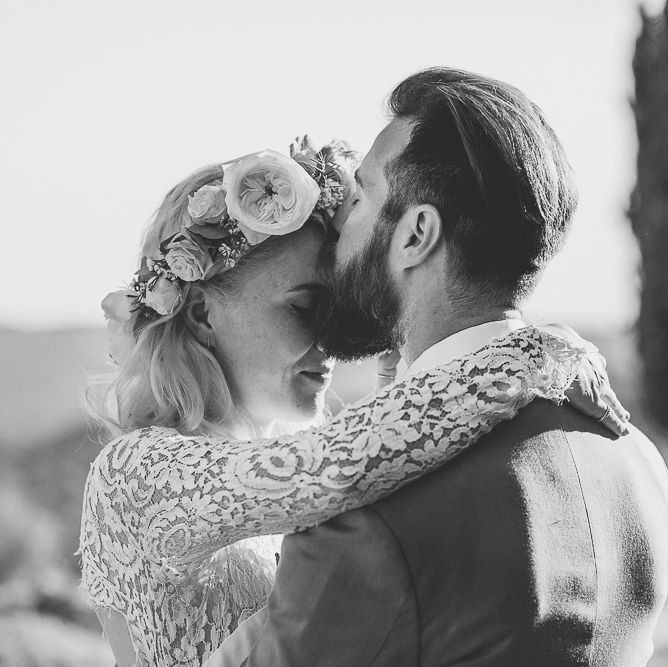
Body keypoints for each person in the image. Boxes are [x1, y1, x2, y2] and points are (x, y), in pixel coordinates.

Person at [79, 139, 626, 667]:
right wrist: (533, 355)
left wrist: (403, 379)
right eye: (305, 306)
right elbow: (340, 471)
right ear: (200, 312)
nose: (331, 341)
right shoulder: (133, 472)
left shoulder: (290, 452)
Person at [208, 69, 668, 666]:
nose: (339, 229)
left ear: (416, 235)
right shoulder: (634, 457)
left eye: (361, 196)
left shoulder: (365, 507)